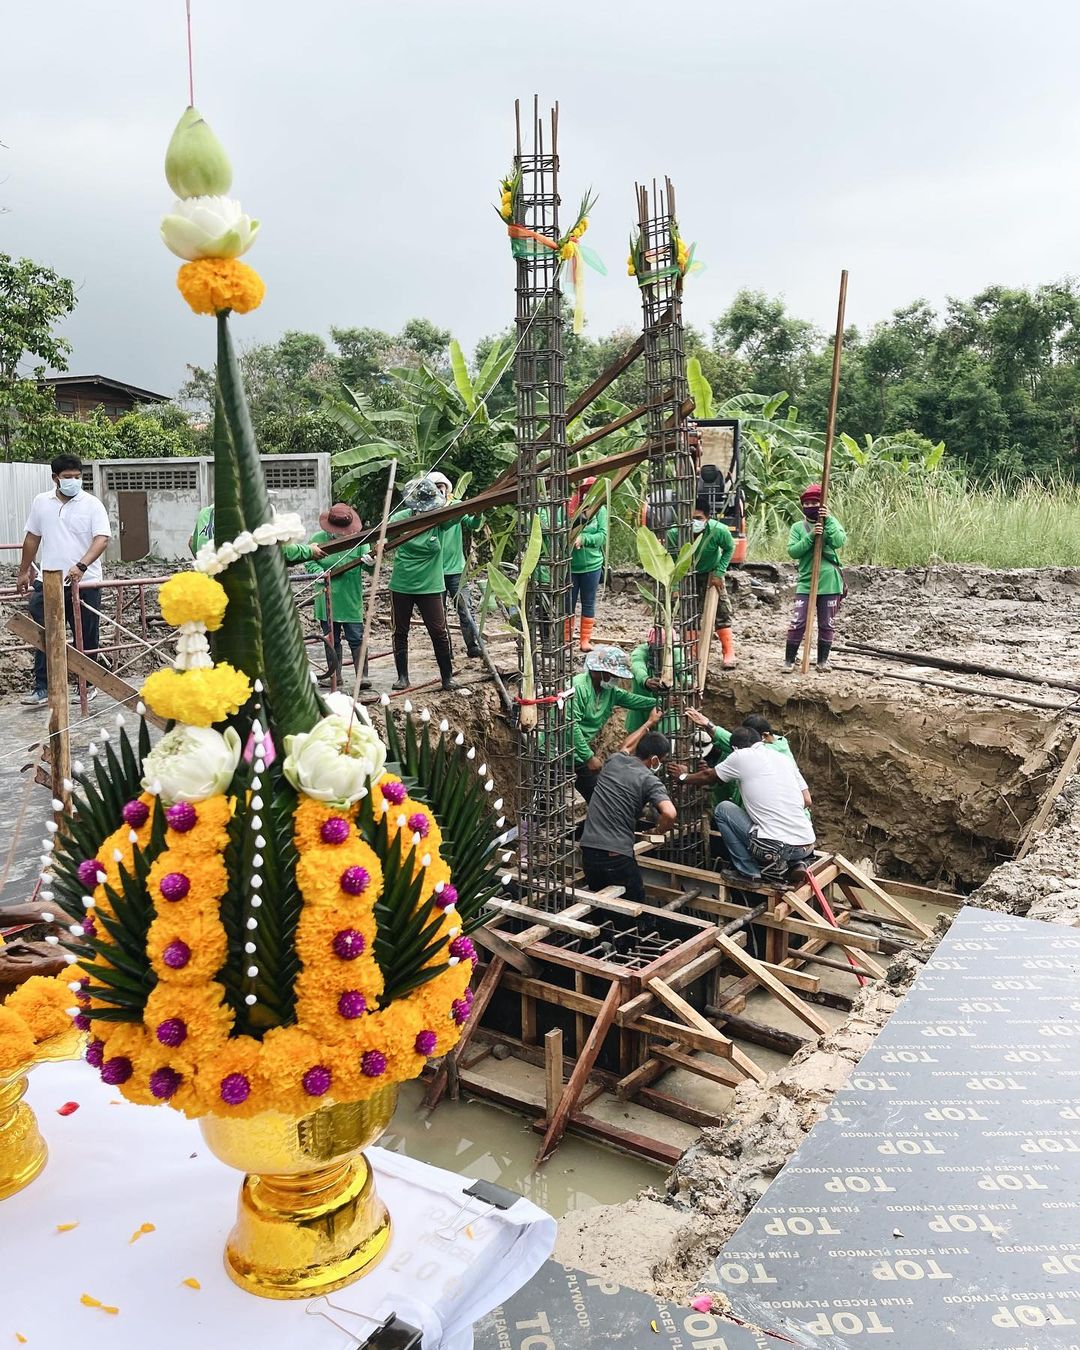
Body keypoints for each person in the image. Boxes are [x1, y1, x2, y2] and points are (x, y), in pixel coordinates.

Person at [17, 454, 110, 708]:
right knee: (46, 633)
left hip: (85, 582)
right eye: (68, 477)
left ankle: (87, 685)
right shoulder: (41, 502)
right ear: (55, 478)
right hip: (50, 581)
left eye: (77, 477)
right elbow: (32, 537)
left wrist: (81, 565)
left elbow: (101, 538)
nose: (73, 482)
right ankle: (43, 687)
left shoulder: (92, 504)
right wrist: (25, 570)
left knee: (86, 635)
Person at [677, 725, 815, 886]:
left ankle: (748, 872)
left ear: (735, 748)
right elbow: (807, 800)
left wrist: (682, 777)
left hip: (775, 848)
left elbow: (708, 776)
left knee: (723, 809)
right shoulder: (783, 758)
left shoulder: (741, 756)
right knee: (772, 826)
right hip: (806, 845)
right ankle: (795, 863)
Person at [580, 713, 677, 902]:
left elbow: (626, 745)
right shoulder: (649, 780)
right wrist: (658, 830)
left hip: (588, 850)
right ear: (655, 759)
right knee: (635, 909)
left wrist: (648, 723)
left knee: (601, 910)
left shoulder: (614, 761)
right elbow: (670, 813)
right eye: (662, 760)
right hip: (616, 855)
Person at [388, 476, 456, 692]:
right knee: (400, 631)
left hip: (431, 586)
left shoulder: (440, 519)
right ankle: (403, 677)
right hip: (402, 583)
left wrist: (448, 496)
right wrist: (377, 547)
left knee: (438, 631)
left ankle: (447, 678)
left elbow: (460, 512)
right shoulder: (401, 518)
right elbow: (383, 538)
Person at [570, 646, 658, 803]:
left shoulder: (608, 691)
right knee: (545, 798)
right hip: (556, 750)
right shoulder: (579, 688)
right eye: (613, 675)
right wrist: (589, 757)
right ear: (598, 672)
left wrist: (660, 702)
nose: (616, 680)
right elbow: (570, 726)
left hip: (578, 753)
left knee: (598, 797)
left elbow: (631, 700)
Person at [304, 502, 372, 689]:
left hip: (350, 596)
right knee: (331, 637)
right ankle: (335, 675)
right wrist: (318, 571)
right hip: (326, 595)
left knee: (356, 637)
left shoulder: (359, 541)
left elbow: (370, 567)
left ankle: (362, 676)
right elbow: (308, 561)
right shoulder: (318, 539)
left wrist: (371, 561)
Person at [668, 497, 736, 669]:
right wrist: (675, 586)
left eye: (698, 519)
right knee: (688, 613)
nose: (693, 522)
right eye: (690, 518)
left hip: (711, 571)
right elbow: (672, 560)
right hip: (686, 573)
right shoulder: (675, 534)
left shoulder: (718, 531)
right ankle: (692, 654)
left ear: (707, 519)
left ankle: (728, 652)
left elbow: (729, 548)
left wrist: (719, 572)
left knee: (722, 611)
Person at [784, 483, 846, 672]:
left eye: (815, 502)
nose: (811, 506)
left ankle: (822, 661)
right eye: (808, 503)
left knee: (826, 623)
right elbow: (793, 551)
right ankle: (789, 660)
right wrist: (811, 536)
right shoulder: (798, 527)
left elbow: (838, 541)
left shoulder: (831, 521)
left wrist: (827, 522)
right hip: (806, 581)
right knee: (798, 622)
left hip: (829, 582)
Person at [429, 471, 482, 660]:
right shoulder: (425, 512)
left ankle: (473, 646)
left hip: (456, 570)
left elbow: (472, 524)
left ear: (446, 488)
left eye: (440, 487)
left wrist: (478, 514)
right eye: (434, 488)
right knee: (438, 617)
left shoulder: (456, 507)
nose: (438, 490)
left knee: (466, 610)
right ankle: (446, 651)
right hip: (433, 572)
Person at [188, 502, 325, 566]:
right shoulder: (245, 516)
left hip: (207, 582)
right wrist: (309, 551)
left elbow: (192, 543)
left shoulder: (205, 513)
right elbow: (274, 546)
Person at [568, 476, 606, 653]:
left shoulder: (600, 510)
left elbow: (603, 536)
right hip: (570, 565)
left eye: (592, 490)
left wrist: (584, 539)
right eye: (585, 490)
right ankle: (566, 639)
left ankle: (585, 640)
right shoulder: (569, 508)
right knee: (568, 603)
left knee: (588, 602)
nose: (588, 493)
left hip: (592, 564)